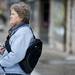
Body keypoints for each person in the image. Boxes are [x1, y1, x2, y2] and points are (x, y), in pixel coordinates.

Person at [0, 2, 33, 75]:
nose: (10, 16)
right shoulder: (18, 30)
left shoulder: (23, 32)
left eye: (13, 14)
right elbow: (15, 49)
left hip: (15, 72)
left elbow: (16, 55)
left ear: (21, 17)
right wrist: (4, 50)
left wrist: (1, 63)